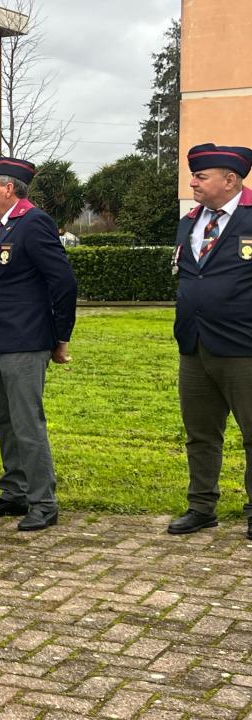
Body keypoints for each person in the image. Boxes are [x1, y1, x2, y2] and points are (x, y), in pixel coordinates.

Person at [0, 157, 77, 531]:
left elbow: (63, 282)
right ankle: (16, 492)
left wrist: (61, 336)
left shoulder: (33, 223)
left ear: (9, 189)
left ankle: (43, 502)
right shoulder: (1, 228)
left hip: (25, 343)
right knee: (6, 422)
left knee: (26, 423)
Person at [167, 143, 252, 538]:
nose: (193, 182)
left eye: (201, 176)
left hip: (243, 347)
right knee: (200, 432)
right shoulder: (190, 221)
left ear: (230, 179)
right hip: (195, 344)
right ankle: (202, 506)